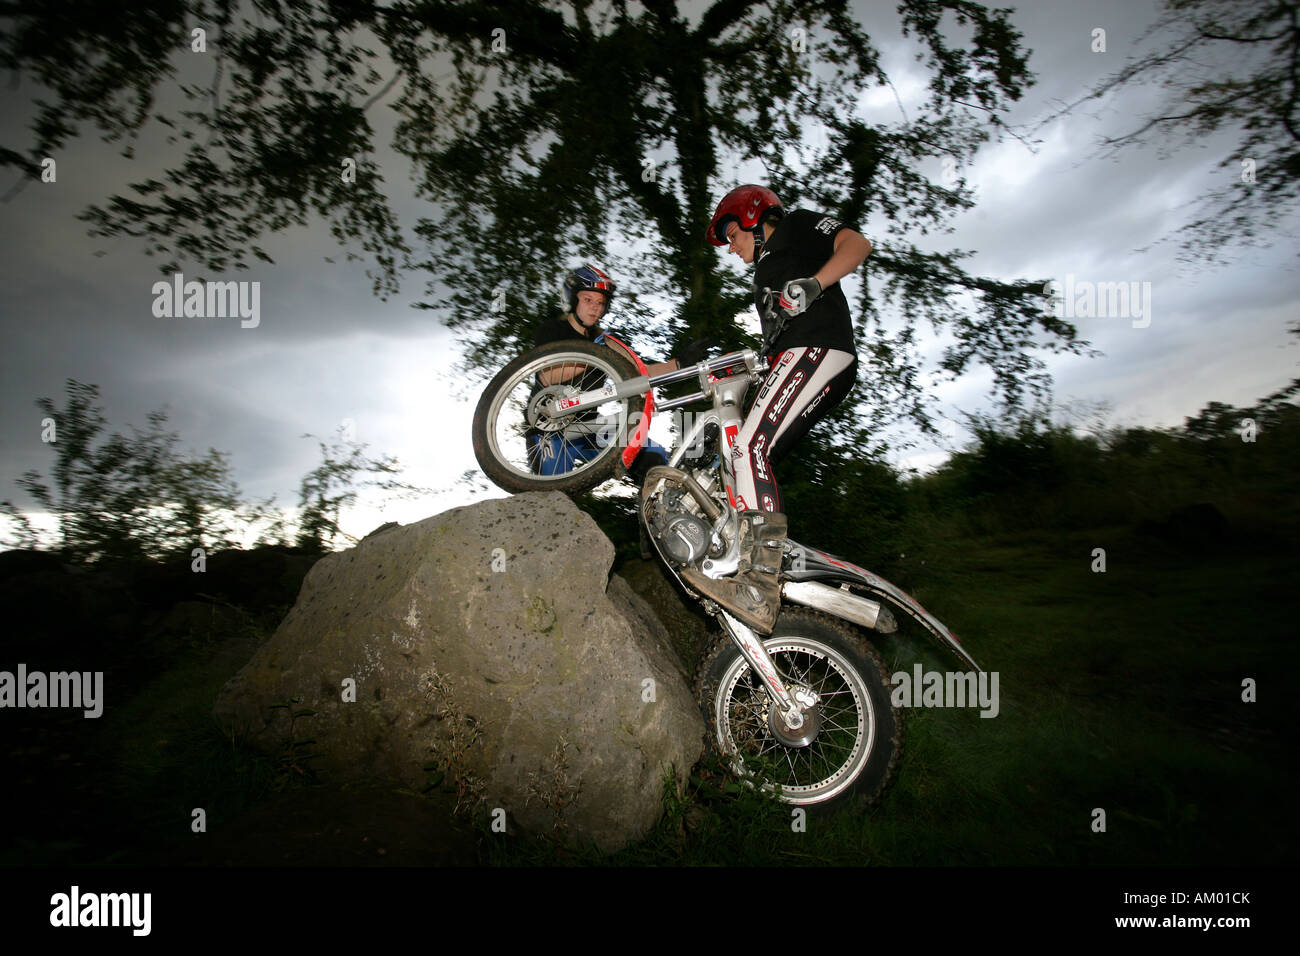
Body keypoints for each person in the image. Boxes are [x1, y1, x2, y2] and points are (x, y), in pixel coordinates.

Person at [679, 185, 873, 634]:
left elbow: (857, 244)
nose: (731, 247)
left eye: (732, 233)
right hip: (796, 356)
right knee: (739, 455)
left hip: (819, 347)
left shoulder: (795, 226)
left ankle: (759, 576)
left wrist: (816, 282)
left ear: (752, 217)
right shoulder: (764, 271)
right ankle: (746, 553)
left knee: (749, 446)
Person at [528, 264, 706, 480]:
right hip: (549, 427)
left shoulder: (605, 342)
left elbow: (638, 375)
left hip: (588, 427)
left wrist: (679, 363)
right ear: (573, 301)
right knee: (551, 491)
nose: (595, 308)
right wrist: (596, 357)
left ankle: (661, 503)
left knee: (654, 456)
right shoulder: (553, 331)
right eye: (588, 300)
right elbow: (547, 377)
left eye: (600, 303)